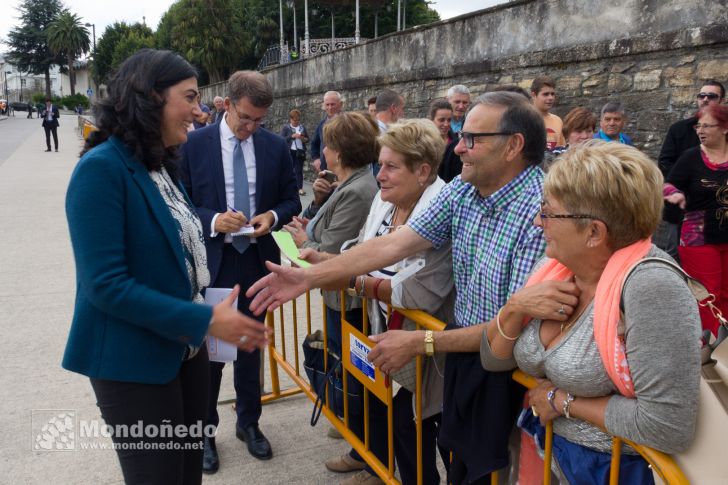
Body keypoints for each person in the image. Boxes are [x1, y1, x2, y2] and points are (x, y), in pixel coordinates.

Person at [248, 92, 548, 484]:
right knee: (462, 466)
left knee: (495, 471)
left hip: (506, 372)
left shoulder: (539, 210)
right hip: (465, 353)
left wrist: (421, 342)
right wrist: (309, 277)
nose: (458, 146)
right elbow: (394, 243)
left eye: (472, 138)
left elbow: (513, 327)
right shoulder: (464, 190)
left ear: (514, 146)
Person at [62, 49, 268, 485]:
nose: (200, 110)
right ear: (151, 97)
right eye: (190, 97)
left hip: (183, 353)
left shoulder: (160, 165)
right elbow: (105, 285)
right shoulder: (100, 171)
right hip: (133, 363)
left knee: (186, 474)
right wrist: (205, 317)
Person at [481, 140, 700, 484]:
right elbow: (493, 360)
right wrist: (514, 307)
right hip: (553, 455)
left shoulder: (651, 287)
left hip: (610, 471)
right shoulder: (556, 268)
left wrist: (561, 400)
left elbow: (667, 426)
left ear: (594, 232)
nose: (538, 222)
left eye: (549, 211)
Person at [301, 119, 454, 485]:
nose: (379, 175)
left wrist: (351, 279)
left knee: (429, 429)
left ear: (423, 171)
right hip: (390, 335)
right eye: (379, 164)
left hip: (428, 346)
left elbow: (416, 289)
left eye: (390, 166)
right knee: (404, 424)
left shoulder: (441, 208)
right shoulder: (386, 203)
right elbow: (364, 249)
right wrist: (332, 264)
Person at [178, 70, 301, 471]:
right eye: (245, 118)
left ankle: (249, 423)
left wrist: (271, 215)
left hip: (257, 260)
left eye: (259, 121)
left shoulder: (275, 146)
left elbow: (290, 199)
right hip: (216, 261)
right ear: (226, 104)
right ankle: (204, 433)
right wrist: (214, 221)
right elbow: (178, 207)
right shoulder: (194, 145)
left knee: (250, 346)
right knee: (212, 354)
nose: (251, 128)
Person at [282, 112, 379, 481]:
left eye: (327, 145)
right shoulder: (347, 183)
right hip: (340, 300)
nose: (322, 151)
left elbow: (333, 253)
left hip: (350, 303)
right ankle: (359, 438)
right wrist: (311, 227)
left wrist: (305, 241)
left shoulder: (356, 189)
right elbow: (330, 234)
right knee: (351, 374)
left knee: (361, 380)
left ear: (338, 150)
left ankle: (367, 452)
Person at [664, 103, 728, 336]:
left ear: (724, 128)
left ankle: (724, 346)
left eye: (707, 125)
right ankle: (708, 346)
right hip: (698, 236)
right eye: (698, 126)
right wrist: (674, 194)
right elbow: (667, 184)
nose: (700, 130)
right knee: (709, 294)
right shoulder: (691, 157)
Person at [656, 80, 726, 260]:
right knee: (673, 253)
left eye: (711, 96)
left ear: (722, 100)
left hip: (719, 218)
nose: (705, 99)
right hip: (686, 210)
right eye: (701, 96)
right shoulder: (680, 130)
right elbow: (665, 162)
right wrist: (686, 185)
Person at [311, 91, 344, 172]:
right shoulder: (321, 124)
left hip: (342, 169)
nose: (330, 108)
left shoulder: (348, 124)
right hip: (325, 170)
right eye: (327, 105)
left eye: (333, 104)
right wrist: (316, 159)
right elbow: (314, 143)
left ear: (340, 104)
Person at [530, 76, 565, 151]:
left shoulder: (558, 120)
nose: (551, 98)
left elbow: (562, 150)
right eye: (546, 94)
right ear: (533, 95)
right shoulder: (524, 119)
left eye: (552, 94)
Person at [280, 109, 309, 196]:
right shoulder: (286, 128)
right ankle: (288, 188)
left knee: (298, 171)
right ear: (291, 119)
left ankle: (299, 188)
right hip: (289, 151)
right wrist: (292, 136)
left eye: (298, 120)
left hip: (300, 152)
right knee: (289, 170)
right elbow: (281, 139)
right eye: (294, 120)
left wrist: (303, 138)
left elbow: (308, 139)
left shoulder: (302, 127)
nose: (296, 122)